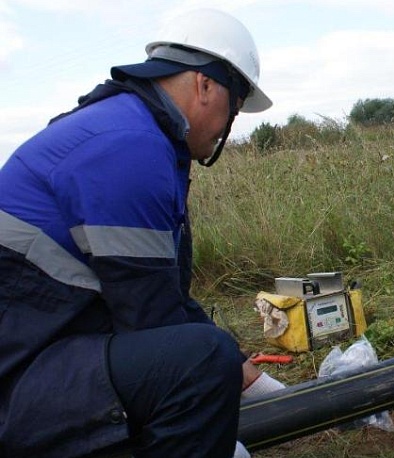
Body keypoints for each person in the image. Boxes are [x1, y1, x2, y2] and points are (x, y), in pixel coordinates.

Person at [0, 9, 285, 458]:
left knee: (205, 356)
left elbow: (156, 290)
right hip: (21, 383)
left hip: (43, 354)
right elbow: (149, 315)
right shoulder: (130, 146)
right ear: (204, 85)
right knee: (200, 362)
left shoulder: (128, 128)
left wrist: (246, 373)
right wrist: (219, 380)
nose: (230, 123)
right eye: (234, 105)